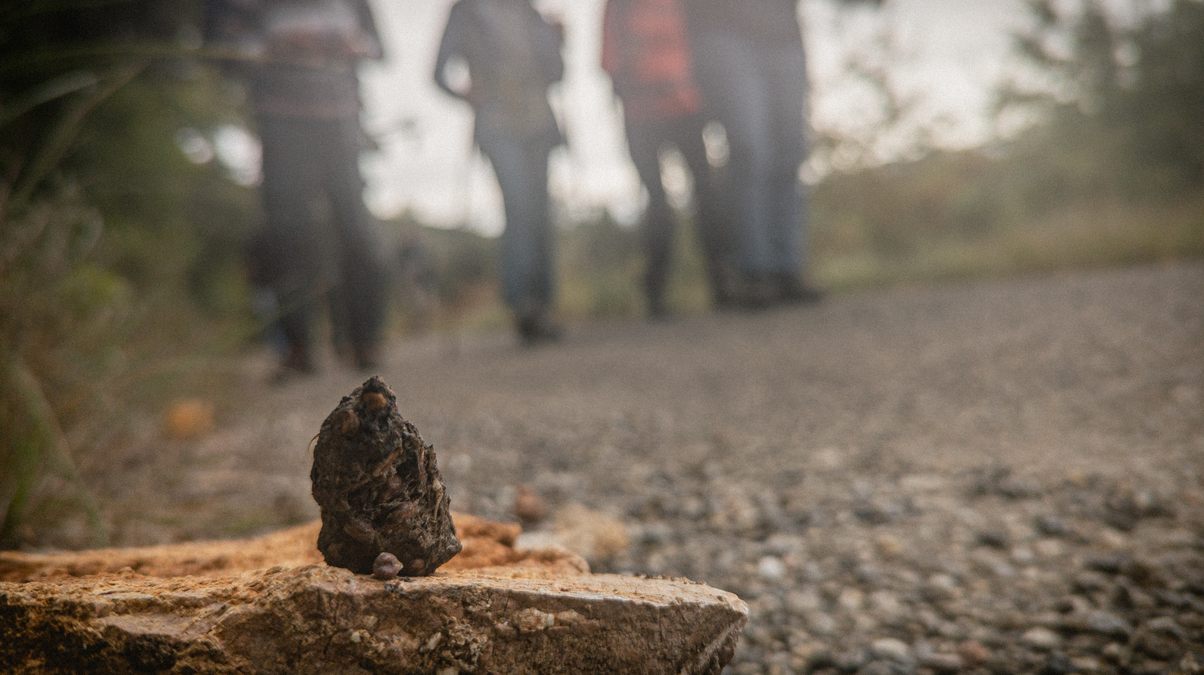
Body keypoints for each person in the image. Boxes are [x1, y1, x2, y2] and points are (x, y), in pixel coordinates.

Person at [205, 0, 389, 376]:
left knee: (356, 230)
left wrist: (351, 45)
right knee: (287, 233)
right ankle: (298, 346)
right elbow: (220, 49)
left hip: (341, 123)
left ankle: (365, 340)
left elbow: (378, 47)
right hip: (280, 124)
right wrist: (271, 46)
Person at [434, 0, 566, 345]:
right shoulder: (466, 11)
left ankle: (543, 307)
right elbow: (437, 73)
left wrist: (557, 42)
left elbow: (556, 73)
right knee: (520, 207)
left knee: (540, 212)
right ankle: (524, 307)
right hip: (497, 122)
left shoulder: (530, 12)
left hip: (539, 120)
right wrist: (465, 95)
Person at [601, 0, 734, 318]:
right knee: (658, 203)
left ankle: (723, 283)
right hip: (642, 114)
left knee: (708, 194)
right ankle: (656, 294)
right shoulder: (618, 7)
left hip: (685, 108)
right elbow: (609, 61)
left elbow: (700, 48)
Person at [686, 0, 823, 307]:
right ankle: (751, 270)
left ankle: (786, 268)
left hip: (782, 34)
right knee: (748, 148)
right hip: (720, 31)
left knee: (790, 152)